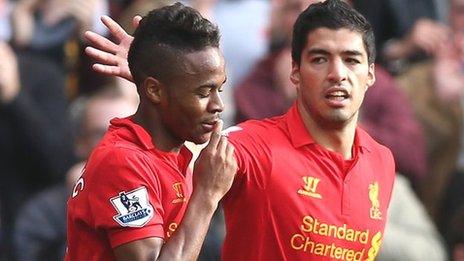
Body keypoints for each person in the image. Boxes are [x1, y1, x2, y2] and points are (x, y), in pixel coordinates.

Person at [85, 1, 396, 260]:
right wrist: (165, 81)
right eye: (320, 59)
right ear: (295, 73)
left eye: (351, 60)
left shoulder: (381, 161)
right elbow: (186, 151)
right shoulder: (253, 146)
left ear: (370, 74)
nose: (337, 74)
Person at [66, 3, 237, 261]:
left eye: (219, 90)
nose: (218, 106)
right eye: (203, 93)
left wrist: (160, 78)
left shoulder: (175, 151)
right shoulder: (123, 162)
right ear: (154, 91)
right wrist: (207, 195)